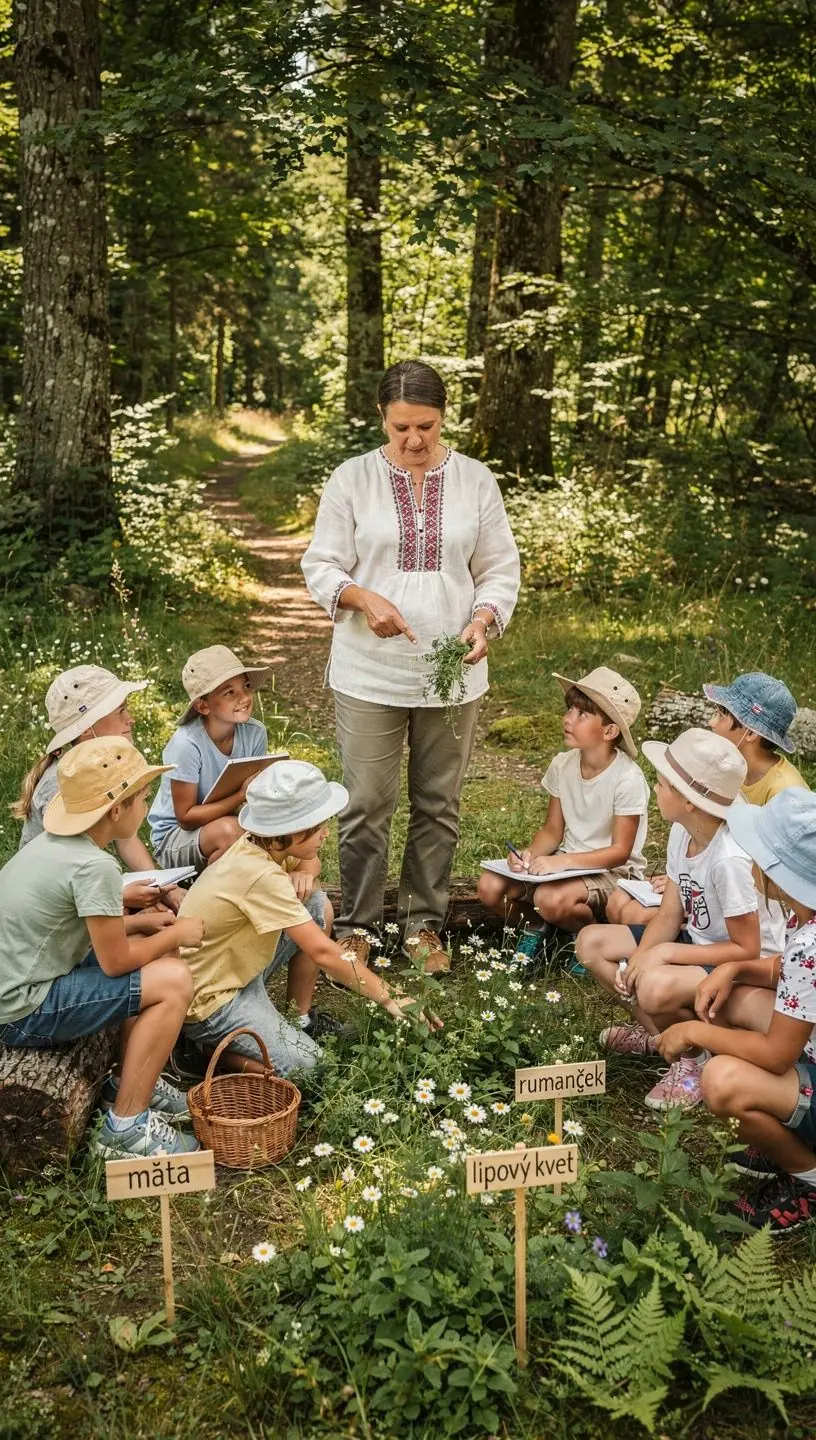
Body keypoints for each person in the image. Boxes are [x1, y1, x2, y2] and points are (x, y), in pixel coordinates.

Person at [301, 359, 520, 975]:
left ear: (444, 417)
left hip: (452, 671)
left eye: (425, 425)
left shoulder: (476, 482)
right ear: (382, 419)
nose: (414, 440)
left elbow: (500, 567)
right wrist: (362, 598)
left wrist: (482, 621)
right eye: (401, 428)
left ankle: (424, 925)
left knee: (438, 802)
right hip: (369, 669)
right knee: (366, 802)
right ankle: (359, 926)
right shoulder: (352, 480)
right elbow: (320, 564)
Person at [0, 738, 204, 1158]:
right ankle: (125, 1127)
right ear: (117, 810)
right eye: (144, 800)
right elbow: (116, 963)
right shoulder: (96, 867)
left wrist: (146, 924)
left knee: (154, 945)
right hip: (21, 1008)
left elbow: (77, 929)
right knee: (175, 979)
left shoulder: (59, 845)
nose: (146, 810)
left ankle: (124, 1084)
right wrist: (177, 934)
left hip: (26, 976)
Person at [177, 761, 442, 1075]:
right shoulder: (260, 875)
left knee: (315, 903)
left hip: (236, 972)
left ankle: (299, 1019)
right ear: (281, 837)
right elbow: (323, 952)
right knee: (310, 1069)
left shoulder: (265, 846)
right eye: (315, 827)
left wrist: (305, 870)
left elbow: (311, 863)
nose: (325, 833)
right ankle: (205, 1051)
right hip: (211, 1002)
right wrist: (391, 998)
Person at [577, 728, 786, 1111]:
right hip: (700, 945)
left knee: (654, 985)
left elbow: (748, 947)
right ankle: (660, 1036)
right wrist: (646, 953)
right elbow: (671, 912)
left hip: (739, 964)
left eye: (661, 784)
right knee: (591, 943)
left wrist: (665, 954)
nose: (655, 790)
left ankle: (692, 1061)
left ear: (690, 801)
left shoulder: (729, 859)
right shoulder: (681, 831)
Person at [657, 787, 816, 1233]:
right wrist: (735, 969)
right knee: (736, 1000)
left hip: (796, 1057)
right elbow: (781, 970)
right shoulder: (805, 914)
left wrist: (693, 1032)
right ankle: (780, 1135)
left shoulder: (810, 943)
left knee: (722, 1081)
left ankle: (808, 1177)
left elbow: (774, 1056)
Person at [607, 670, 807, 928]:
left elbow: (780, 878)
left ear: (750, 733)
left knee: (633, 915)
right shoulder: (720, 770)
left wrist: (693, 881)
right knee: (617, 904)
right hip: (705, 878)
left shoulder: (784, 793)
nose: (712, 723)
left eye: (722, 715)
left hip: (749, 905)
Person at [478, 668, 649, 949]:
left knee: (550, 898)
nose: (568, 719)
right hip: (566, 864)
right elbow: (552, 830)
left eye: (582, 714)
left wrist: (562, 862)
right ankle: (538, 928)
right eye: (570, 709)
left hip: (612, 872)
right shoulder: (562, 764)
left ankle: (589, 938)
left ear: (609, 730)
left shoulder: (627, 778)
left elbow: (620, 853)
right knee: (490, 887)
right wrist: (530, 855)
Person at [12, 664, 183, 915]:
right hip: (50, 903)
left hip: (84, 884)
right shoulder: (63, 784)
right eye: (121, 711)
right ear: (86, 728)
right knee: (152, 924)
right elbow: (68, 870)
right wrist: (122, 897)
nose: (131, 718)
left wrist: (163, 886)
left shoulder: (105, 766)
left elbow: (126, 838)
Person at [148, 644, 270, 873]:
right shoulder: (187, 744)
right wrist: (239, 796)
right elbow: (185, 818)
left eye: (245, 686)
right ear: (203, 706)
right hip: (176, 838)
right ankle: (206, 898)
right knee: (230, 832)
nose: (244, 697)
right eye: (229, 692)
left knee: (277, 832)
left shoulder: (255, 733)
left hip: (231, 821)